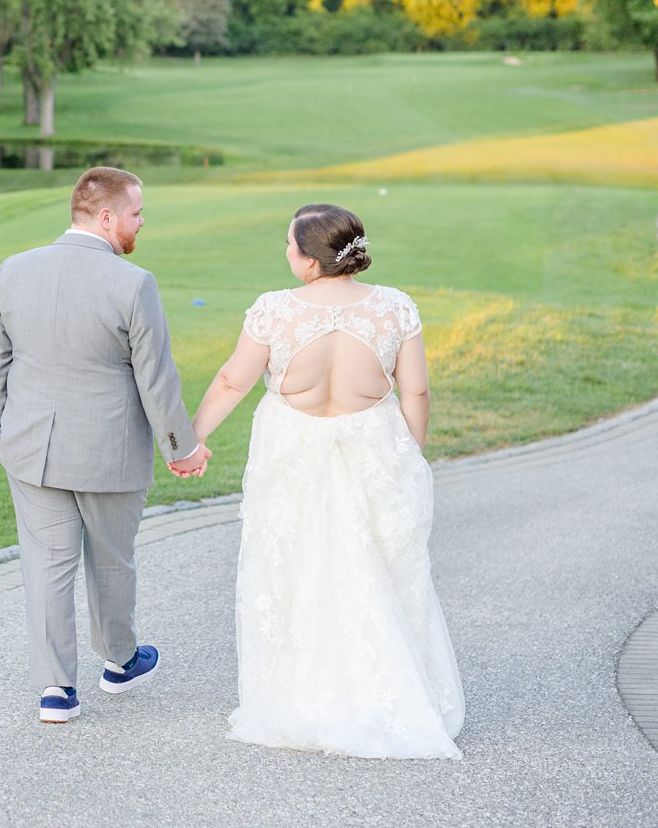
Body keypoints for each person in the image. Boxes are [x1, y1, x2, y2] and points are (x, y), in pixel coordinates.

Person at [180, 203, 464, 758]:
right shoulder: (396, 309)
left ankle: (301, 700)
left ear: (310, 262)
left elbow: (232, 382)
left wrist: (190, 442)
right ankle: (385, 698)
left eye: (289, 245)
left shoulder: (273, 312)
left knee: (294, 569)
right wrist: (411, 454)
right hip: (375, 449)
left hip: (293, 453)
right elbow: (417, 393)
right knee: (379, 569)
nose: (285, 253)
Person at [0, 167, 207, 724]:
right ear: (106, 216)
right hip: (110, 453)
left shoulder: (12, 271)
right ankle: (120, 662)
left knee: (46, 568)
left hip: (31, 449)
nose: (141, 223)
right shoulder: (134, 283)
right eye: (136, 213)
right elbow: (157, 378)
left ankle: (55, 692)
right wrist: (182, 447)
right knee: (112, 562)